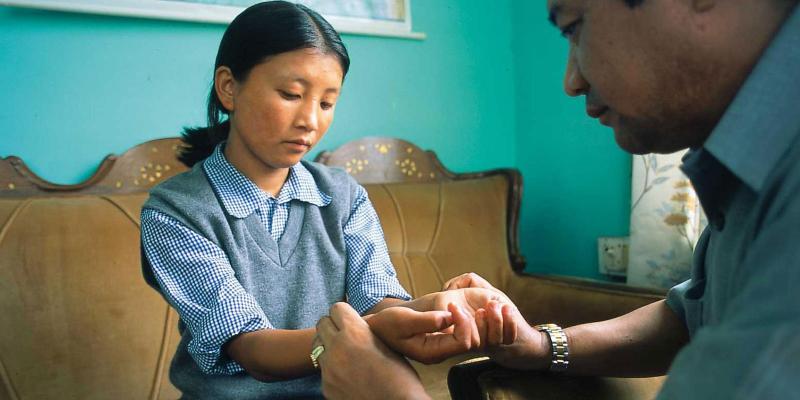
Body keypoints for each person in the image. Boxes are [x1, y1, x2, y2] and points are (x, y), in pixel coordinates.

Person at [314, 0, 800, 398]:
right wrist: (542, 344)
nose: (572, 80)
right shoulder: (750, 173)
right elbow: (690, 315)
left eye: (574, 27)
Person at [139, 2, 511, 398]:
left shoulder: (344, 195)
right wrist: (374, 330)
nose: (310, 121)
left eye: (327, 103)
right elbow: (253, 349)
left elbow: (377, 301)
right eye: (291, 94)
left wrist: (440, 307)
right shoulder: (176, 212)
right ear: (229, 87)